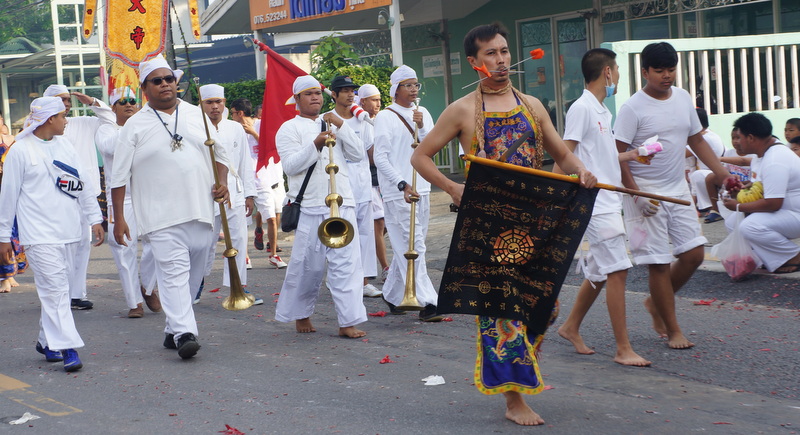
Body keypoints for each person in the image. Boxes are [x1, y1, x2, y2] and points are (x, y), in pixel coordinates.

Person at [410, 23, 595, 426]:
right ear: (475, 63)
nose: (501, 60)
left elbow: (563, 155)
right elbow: (421, 158)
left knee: (541, 307)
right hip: (489, 229)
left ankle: (519, 375)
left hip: (535, 225)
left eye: (505, 52)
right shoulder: (461, 110)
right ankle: (514, 398)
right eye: (491, 54)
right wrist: (453, 189)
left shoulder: (532, 105)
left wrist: (581, 171)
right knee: (501, 311)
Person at [110, 55, 230, 359]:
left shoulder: (196, 114)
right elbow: (119, 176)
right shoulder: (134, 126)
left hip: (201, 209)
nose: (165, 84)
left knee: (195, 273)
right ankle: (186, 334)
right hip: (159, 215)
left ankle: (173, 328)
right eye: (157, 81)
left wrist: (223, 182)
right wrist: (119, 218)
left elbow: (221, 155)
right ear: (145, 89)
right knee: (174, 273)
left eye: (169, 79)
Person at [614, 42, 733, 349]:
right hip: (643, 194)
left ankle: (655, 304)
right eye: (659, 71)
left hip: (677, 189)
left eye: (670, 69)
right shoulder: (632, 108)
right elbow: (617, 154)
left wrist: (722, 174)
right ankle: (673, 328)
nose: (666, 76)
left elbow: (696, 140)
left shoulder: (682, 98)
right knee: (659, 263)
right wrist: (636, 194)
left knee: (693, 254)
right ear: (644, 72)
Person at [553, 48, 650, 367]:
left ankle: (570, 327)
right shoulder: (582, 108)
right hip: (596, 204)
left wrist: (632, 156)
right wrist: (554, 199)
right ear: (607, 72)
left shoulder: (603, 110)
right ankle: (623, 348)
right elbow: (564, 155)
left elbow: (601, 156)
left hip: (610, 200)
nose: (619, 76)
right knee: (618, 269)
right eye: (618, 70)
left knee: (598, 269)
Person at [0, 97, 105, 372]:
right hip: (38, 236)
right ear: (49, 119)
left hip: (70, 232)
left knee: (56, 292)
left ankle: (46, 341)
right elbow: (7, 197)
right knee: (57, 291)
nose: (66, 120)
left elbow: (83, 185)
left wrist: (95, 219)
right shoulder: (20, 151)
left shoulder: (65, 146)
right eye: (62, 116)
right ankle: (68, 349)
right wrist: (2, 238)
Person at [273, 75, 367, 339]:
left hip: (342, 201)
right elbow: (290, 167)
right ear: (297, 100)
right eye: (308, 93)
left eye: (318, 93)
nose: (315, 97)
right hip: (312, 206)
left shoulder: (334, 121)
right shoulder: (288, 129)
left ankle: (347, 321)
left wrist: (342, 126)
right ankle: (301, 313)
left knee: (347, 265)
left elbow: (359, 154)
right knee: (308, 265)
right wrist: (315, 143)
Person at [373, 65, 443, 321]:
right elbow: (380, 158)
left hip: (422, 187)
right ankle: (428, 303)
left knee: (411, 244)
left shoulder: (422, 112)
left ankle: (392, 294)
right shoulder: (385, 117)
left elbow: (430, 147)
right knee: (414, 246)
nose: (414, 89)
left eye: (416, 85)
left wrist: (423, 127)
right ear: (396, 89)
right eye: (408, 85)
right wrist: (401, 183)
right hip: (397, 191)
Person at [43, 85, 115, 310]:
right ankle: (57, 291)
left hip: (85, 194)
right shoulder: (40, 131)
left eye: (67, 100)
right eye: (60, 100)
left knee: (83, 244)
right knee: (59, 246)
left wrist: (92, 101)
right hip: (54, 197)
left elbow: (110, 118)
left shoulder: (82, 123)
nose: (66, 104)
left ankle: (77, 294)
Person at [95, 87, 161, 318]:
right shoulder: (106, 129)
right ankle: (135, 303)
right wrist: (134, 126)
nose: (129, 105)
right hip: (121, 199)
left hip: (148, 193)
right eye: (122, 102)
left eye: (133, 101)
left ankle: (148, 285)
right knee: (124, 250)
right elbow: (110, 147)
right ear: (113, 108)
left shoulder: (146, 126)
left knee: (159, 243)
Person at [198, 85, 261, 302]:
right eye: (209, 102)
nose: (215, 106)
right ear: (201, 104)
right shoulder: (195, 127)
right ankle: (197, 283)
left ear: (224, 102)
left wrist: (249, 195)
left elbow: (244, 163)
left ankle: (238, 287)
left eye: (219, 101)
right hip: (205, 194)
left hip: (234, 193)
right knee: (203, 243)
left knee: (238, 240)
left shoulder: (235, 128)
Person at [723, 113, 800, 273]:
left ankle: (794, 256)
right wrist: (742, 188)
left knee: (750, 226)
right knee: (732, 223)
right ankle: (764, 257)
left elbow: (773, 204)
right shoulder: (762, 155)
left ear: (750, 138)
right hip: (786, 212)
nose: (737, 142)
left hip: (794, 213)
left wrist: (738, 205)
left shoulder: (775, 159)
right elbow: (760, 187)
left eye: (740, 137)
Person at [325, 76, 381, 298]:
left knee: (365, 236)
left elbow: (370, 154)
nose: (349, 94)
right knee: (342, 237)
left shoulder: (362, 120)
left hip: (363, 187)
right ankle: (337, 278)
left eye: (352, 90)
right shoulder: (326, 119)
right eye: (344, 90)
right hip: (339, 191)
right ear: (334, 94)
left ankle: (364, 281)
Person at [231, 98, 288, 269]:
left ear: (240, 113)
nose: (231, 116)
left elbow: (271, 147)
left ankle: (273, 255)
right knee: (242, 221)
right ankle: (246, 257)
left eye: (232, 113)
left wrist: (253, 133)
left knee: (271, 217)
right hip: (242, 180)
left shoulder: (261, 125)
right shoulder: (233, 129)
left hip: (263, 179)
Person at [359, 84, 390, 282]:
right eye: (373, 99)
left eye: (379, 99)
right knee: (378, 223)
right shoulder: (358, 122)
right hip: (367, 181)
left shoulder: (382, 120)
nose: (378, 104)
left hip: (384, 180)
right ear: (362, 101)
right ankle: (385, 267)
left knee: (383, 225)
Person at [0, 112, 27, 293]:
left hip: (12, 193)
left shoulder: (13, 140)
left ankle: (10, 274)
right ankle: (5, 277)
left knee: (13, 234)